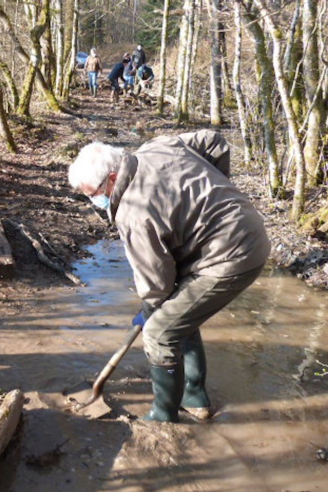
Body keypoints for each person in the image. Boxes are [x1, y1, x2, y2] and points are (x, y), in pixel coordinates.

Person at [68, 130, 270, 423]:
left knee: (160, 333)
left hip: (230, 258)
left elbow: (155, 284)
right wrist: (219, 191)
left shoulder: (133, 214)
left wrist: (150, 310)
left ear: (112, 178)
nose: (94, 202)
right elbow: (214, 141)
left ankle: (163, 416)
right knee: (179, 316)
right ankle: (195, 399)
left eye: (94, 194)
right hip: (246, 230)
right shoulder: (159, 147)